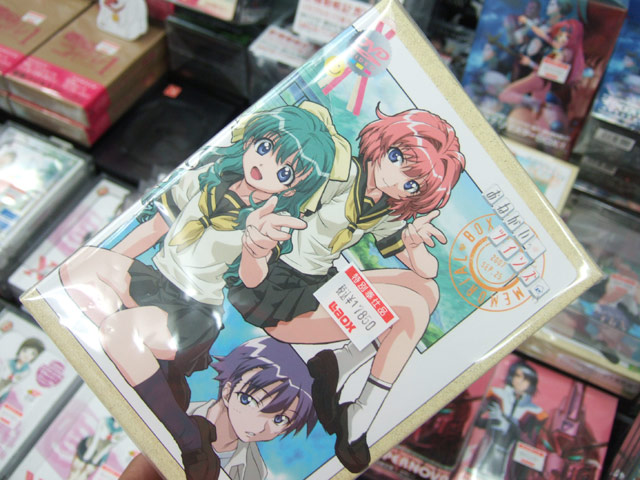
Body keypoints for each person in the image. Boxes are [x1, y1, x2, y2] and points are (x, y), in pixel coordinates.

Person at [59, 102, 342, 479]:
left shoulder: (269, 222)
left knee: (118, 332)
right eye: (264, 147)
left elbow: (252, 279)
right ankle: (151, 370)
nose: (265, 166)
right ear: (251, 139)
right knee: (78, 268)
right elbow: (155, 228)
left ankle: (189, 439)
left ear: (293, 186)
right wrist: (106, 259)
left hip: (191, 312)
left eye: (285, 170)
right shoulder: (207, 175)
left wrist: (255, 248)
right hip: (154, 280)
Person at [228, 106, 466, 472]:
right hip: (276, 292)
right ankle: (359, 416)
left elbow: (427, 273)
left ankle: (338, 364)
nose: (396, 177)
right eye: (397, 157)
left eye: (412, 184)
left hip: (316, 286)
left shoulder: (384, 207)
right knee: (410, 308)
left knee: (426, 293)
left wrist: (415, 244)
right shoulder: (342, 175)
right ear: (383, 143)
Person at [188, 336, 318, 480]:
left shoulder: (255, 469)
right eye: (248, 400)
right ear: (227, 391)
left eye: (279, 419)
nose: (258, 427)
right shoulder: (180, 414)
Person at [469, 360, 547, 479]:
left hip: (510, 467)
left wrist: (510, 427)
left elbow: (532, 446)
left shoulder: (537, 413)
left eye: (526, 379)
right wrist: (493, 421)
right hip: (483, 458)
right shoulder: (496, 394)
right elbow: (476, 421)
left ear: (531, 383)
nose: (520, 381)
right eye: (518, 376)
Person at [0, 337, 45, 404]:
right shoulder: (8, 362)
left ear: (35, 357)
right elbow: (3, 373)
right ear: (20, 350)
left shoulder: (26, 370)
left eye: (32, 354)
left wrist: (12, 378)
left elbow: (17, 380)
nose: (26, 355)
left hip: (6, 389)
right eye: (25, 350)